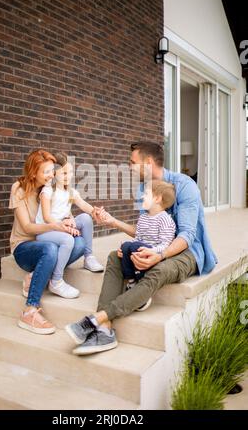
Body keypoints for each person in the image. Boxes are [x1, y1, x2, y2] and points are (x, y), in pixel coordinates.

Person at [65, 141, 218, 355]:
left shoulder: (184, 185)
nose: (129, 166)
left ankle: (98, 319)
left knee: (160, 269)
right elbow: (143, 231)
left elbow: (187, 236)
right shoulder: (143, 188)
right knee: (114, 257)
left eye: (132, 162)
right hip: (156, 246)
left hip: (188, 251)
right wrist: (114, 223)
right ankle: (105, 331)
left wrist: (159, 255)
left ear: (148, 162)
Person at [9, 148, 86, 335]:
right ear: (33, 172)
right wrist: (56, 226)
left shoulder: (51, 189)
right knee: (51, 249)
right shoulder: (18, 189)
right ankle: (30, 311)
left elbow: (61, 212)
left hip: (48, 240)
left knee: (79, 244)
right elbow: (27, 227)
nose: (51, 175)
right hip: (24, 247)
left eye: (52, 170)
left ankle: (35, 275)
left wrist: (68, 220)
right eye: (46, 172)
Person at [29, 152, 103, 300]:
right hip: (46, 230)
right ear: (54, 174)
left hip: (61, 226)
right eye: (64, 173)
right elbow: (47, 217)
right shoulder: (48, 191)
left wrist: (95, 211)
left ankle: (88, 257)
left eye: (70, 172)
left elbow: (82, 204)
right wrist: (63, 224)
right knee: (68, 240)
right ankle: (56, 281)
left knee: (86, 218)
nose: (68, 176)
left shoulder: (70, 191)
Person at [120, 179, 176, 311]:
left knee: (135, 247)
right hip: (140, 249)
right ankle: (132, 281)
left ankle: (141, 286)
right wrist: (127, 246)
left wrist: (151, 250)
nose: (141, 196)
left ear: (157, 198)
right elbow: (138, 238)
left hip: (153, 253)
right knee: (127, 246)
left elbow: (165, 245)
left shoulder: (165, 220)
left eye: (145, 193)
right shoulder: (143, 217)